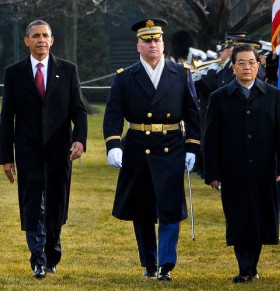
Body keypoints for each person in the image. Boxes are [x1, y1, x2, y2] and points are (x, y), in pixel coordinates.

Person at [103, 18, 201, 281]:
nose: (152, 45)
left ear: (163, 43)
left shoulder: (181, 74)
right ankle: (149, 262)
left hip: (170, 145)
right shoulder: (126, 77)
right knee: (142, 208)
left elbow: (193, 115)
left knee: (169, 207)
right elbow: (112, 114)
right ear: (138, 46)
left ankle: (166, 264)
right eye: (147, 41)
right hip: (137, 147)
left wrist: (192, 147)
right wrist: (113, 144)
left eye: (156, 40)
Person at [0, 20, 87, 279]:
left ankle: (52, 252)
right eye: (35, 36)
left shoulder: (68, 71)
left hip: (60, 151)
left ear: (52, 40)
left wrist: (80, 140)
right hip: (28, 151)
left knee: (54, 204)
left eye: (45, 35)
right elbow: (7, 117)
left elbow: (79, 111)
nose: (40, 40)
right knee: (33, 204)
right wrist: (6, 157)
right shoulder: (14, 73)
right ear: (26, 41)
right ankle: (38, 258)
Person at [204, 44, 280, 283]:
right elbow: (210, 138)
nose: (247, 67)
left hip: (264, 170)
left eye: (251, 62)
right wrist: (212, 172)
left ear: (258, 65)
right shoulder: (219, 98)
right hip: (233, 170)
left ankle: (252, 266)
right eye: (241, 62)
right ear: (233, 67)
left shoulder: (273, 95)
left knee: (260, 219)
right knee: (239, 218)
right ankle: (244, 267)